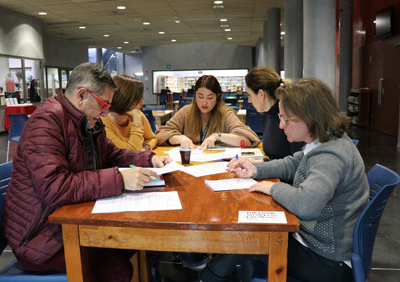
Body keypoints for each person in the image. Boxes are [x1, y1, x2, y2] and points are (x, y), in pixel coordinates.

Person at [2, 63, 171, 282]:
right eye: (104, 104)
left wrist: (150, 159)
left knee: (129, 243)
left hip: (66, 223)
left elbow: (112, 154)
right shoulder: (46, 122)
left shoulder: (87, 121)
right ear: (82, 95)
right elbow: (55, 187)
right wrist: (119, 178)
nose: (106, 112)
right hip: (40, 240)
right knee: (116, 268)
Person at [199, 78, 370, 282]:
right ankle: (212, 275)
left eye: (286, 119)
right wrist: (255, 169)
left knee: (248, 236)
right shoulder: (326, 139)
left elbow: (306, 204)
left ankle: (207, 277)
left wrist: (273, 188)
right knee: (249, 235)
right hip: (320, 244)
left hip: (325, 258)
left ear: (310, 117)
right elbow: (292, 163)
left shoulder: (329, 155)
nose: (281, 125)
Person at [156, 75, 260, 150]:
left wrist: (218, 136)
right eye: (200, 97)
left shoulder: (225, 114)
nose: (204, 102)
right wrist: (180, 138)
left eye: (210, 98)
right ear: (195, 95)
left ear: (218, 96)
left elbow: (247, 140)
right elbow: (162, 134)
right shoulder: (186, 111)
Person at [245, 67, 304, 160]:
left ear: (261, 94)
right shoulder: (267, 114)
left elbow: (298, 162)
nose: (249, 100)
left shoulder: (289, 117)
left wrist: (261, 166)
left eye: (250, 95)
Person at [102, 74, 157, 151]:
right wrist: (137, 122)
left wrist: (145, 147)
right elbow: (130, 154)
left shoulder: (137, 115)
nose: (142, 102)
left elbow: (152, 138)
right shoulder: (103, 124)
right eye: (136, 99)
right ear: (123, 100)